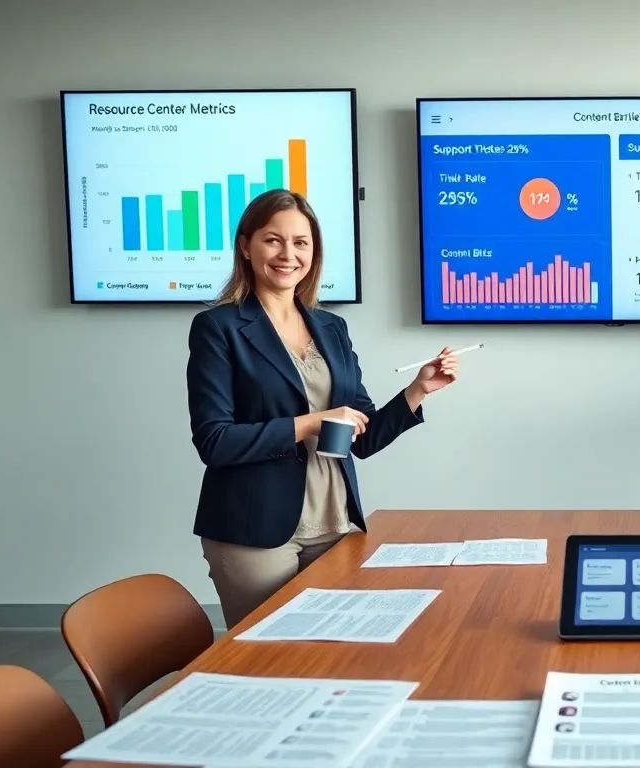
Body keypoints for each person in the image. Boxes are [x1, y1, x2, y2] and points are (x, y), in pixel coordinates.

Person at [186, 189, 461, 628]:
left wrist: (418, 389)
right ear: (245, 245)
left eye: (301, 243)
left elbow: (363, 438)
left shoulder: (332, 327)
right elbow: (214, 441)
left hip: (334, 523)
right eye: (273, 240)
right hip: (256, 532)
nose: (287, 254)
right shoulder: (218, 328)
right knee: (267, 664)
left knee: (334, 653)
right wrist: (311, 422)